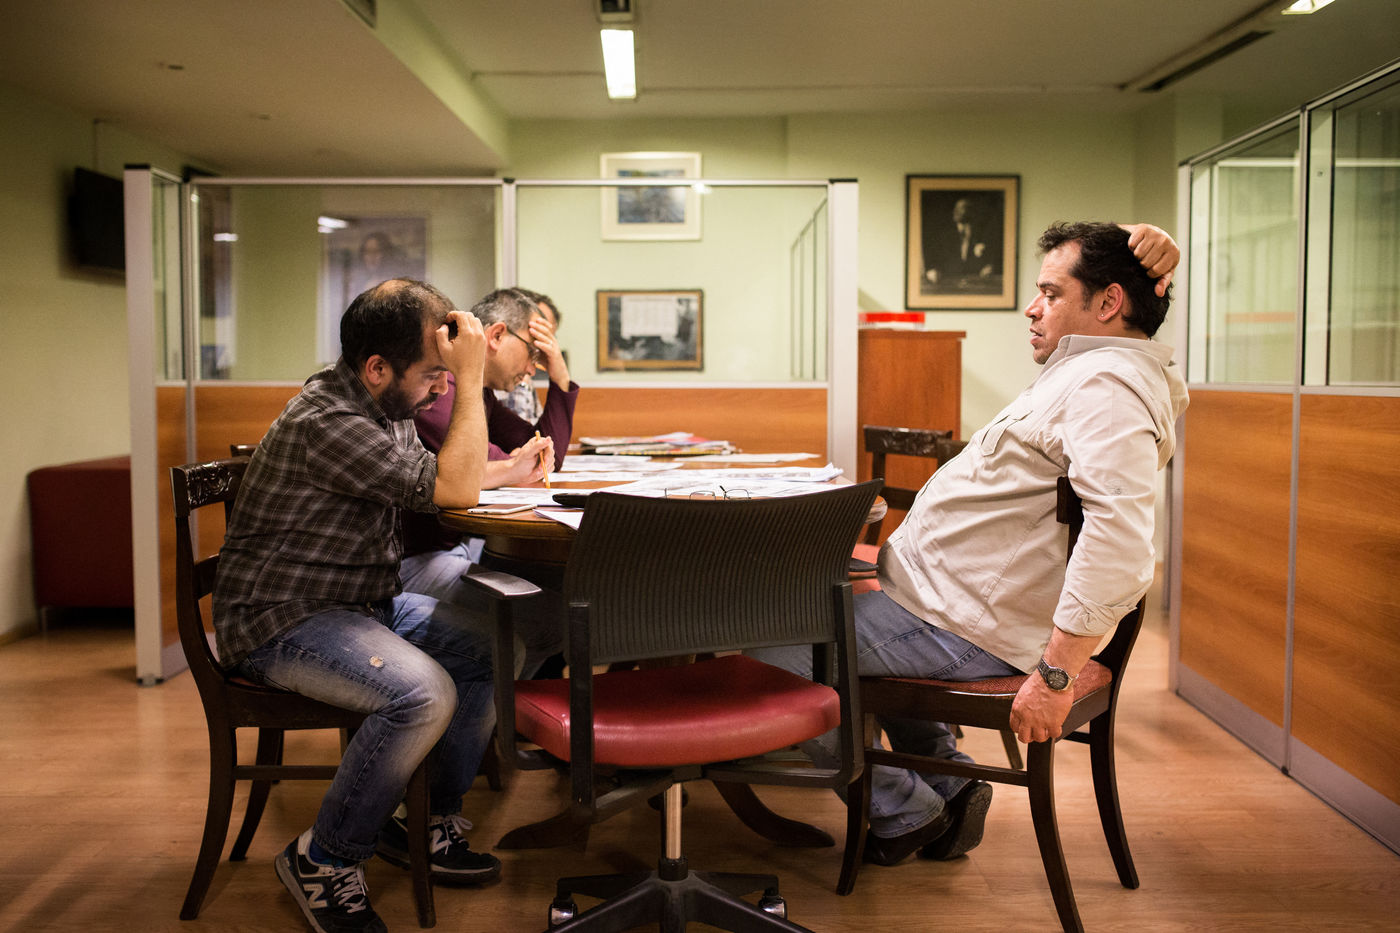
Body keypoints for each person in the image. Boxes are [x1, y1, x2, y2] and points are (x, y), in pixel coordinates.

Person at [754, 221, 1187, 868]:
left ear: (1108, 302)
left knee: (769, 655)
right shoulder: (1090, 372)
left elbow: (1121, 542)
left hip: (960, 625)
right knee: (822, 616)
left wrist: (1056, 676)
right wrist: (1140, 236)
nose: (1032, 307)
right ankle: (951, 787)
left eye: (1050, 293)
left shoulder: (1107, 388)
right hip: (944, 605)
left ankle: (902, 809)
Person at [212, 279, 503, 933]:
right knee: (423, 694)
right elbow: (455, 489)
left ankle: (422, 821)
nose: (440, 388)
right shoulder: (328, 422)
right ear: (377, 368)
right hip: (280, 617)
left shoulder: (382, 404)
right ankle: (323, 860)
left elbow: (443, 479)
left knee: (493, 644)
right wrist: (472, 377)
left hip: (357, 602)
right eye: (432, 374)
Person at [402, 287, 580, 678]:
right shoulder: (439, 387)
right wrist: (514, 465)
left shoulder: (481, 397)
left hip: (455, 547)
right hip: (411, 561)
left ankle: (496, 703)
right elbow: (491, 464)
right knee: (553, 622)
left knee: (558, 604)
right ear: (497, 335)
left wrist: (561, 377)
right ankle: (496, 706)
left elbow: (543, 457)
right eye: (533, 353)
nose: (533, 368)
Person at [494, 288, 566, 422]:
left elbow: (542, 432)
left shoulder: (525, 376)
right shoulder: (503, 377)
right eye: (537, 329)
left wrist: (561, 377)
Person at [921, 194, 1004, 292]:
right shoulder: (944, 236)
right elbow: (935, 260)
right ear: (955, 218)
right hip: (949, 285)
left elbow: (993, 258)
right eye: (960, 223)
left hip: (976, 286)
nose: (963, 228)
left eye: (967, 223)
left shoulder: (981, 234)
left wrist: (990, 267)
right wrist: (932, 270)